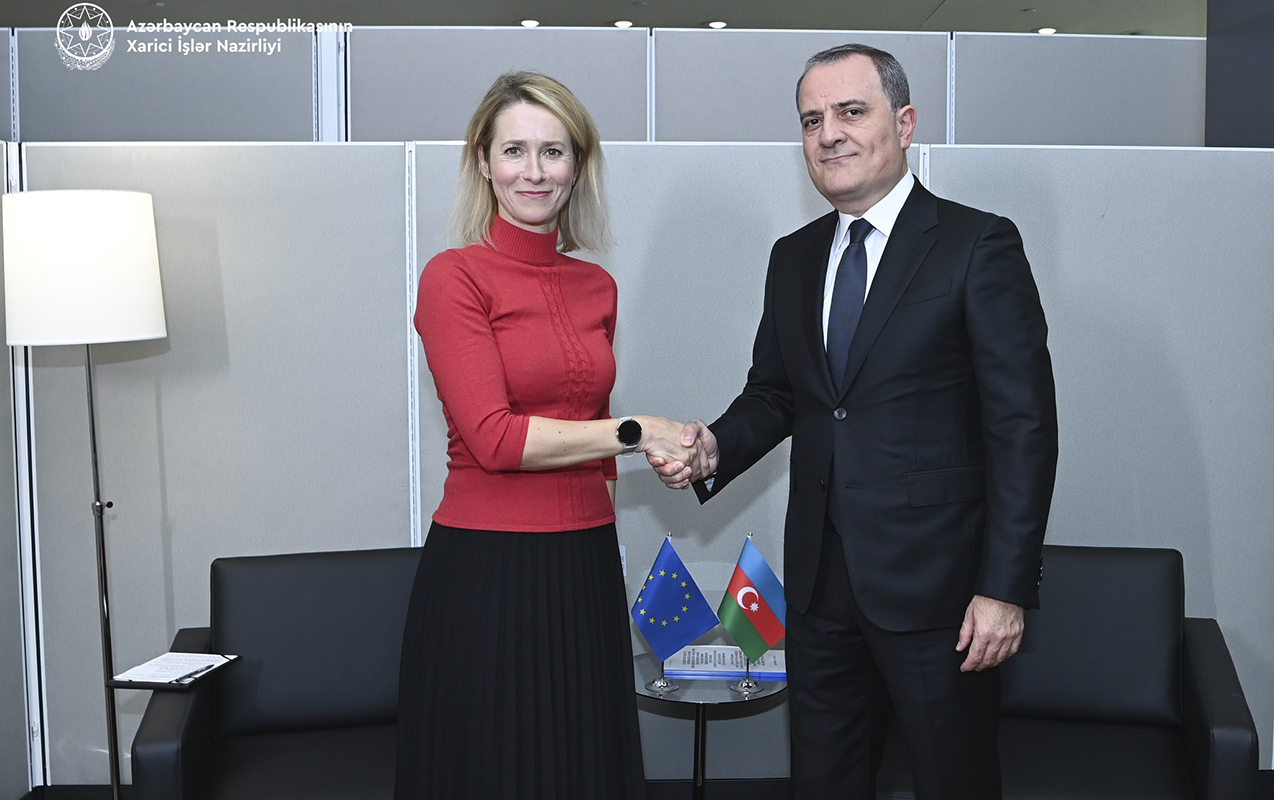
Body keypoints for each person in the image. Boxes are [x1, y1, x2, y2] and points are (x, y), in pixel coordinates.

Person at [651, 44, 1058, 799]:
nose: (828, 133)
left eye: (850, 111)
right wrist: (713, 449)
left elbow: (1023, 429)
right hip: (818, 587)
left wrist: (1004, 588)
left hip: (942, 593)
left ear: (904, 124)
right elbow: (779, 394)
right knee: (825, 781)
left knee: (954, 781)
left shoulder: (977, 244)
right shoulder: (794, 257)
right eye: (812, 120)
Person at [396, 71, 702, 800]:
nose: (533, 172)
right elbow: (495, 440)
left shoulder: (597, 287)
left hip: (585, 564)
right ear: (483, 161)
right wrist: (640, 432)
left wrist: (646, 460)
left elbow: (584, 426)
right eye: (514, 151)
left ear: (577, 164)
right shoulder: (453, 277)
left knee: (582, 765)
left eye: (553, 152)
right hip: (489, 572)